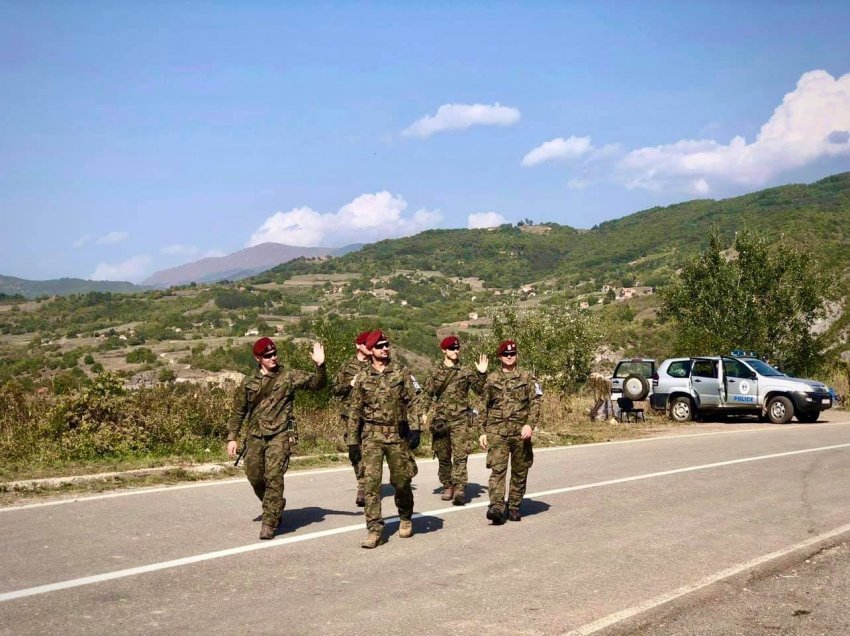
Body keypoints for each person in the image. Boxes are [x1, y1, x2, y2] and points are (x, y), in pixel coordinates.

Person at [226, 336, 327, 540]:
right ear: (258, 358)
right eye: (268, 355)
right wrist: (232, 437)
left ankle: (270, 522)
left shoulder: (288, 375)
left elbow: (317, 384)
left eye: (274, 354)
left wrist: (321, 366)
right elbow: (239, 411)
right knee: (254, 476)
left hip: (280, 434)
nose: (273, 358)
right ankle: (275, 504)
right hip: (255, 435)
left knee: (274, 476)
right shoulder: (249, 382)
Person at [347, 330, 423, 549]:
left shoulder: (401, 372)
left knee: (401, 481)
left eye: (386, 345)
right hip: (371, 436)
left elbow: (414, 402)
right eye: (380, 346)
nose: (384, 349)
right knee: (371, 484)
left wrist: (416, 428)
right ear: (371, 350)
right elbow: (354, 411)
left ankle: (405, 516)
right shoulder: (362, 377)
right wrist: (353, 442)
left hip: (398, 435)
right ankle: (374, 529)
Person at [478, 339, 541, 524]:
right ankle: (497, 506)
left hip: (520, 432)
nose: (509, 357)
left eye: (512, 354)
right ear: (500, 357)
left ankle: (514, 505)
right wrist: (482, 431)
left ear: (517, 356)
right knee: (498, 470)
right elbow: (483, 405)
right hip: (497, 431)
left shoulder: (528, 377)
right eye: (506, 354)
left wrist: (530, 424)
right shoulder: (492, 379)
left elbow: (536, 402)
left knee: (520, 470)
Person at [423, 335, 488, 506]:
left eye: (457, 348)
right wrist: (423, 412)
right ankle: (447, 485)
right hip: (441, 421)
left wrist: (482, 373)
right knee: (443, 455)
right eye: (452, 348)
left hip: (460, 419)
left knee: (461, 455)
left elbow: (480, 390)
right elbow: (427, 394)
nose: (456, 351)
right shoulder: (435, 372)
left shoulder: (465, 371)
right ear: (444, 350)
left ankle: (459, 488)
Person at [332, 330, 372, 507]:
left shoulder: (376, 365)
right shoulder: (347, 366)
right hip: (350, 414)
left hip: (372, 414)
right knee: (355, 450)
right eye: (366, 344)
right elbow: (334, 389)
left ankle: (367, 484)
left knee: (371, 449)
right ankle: (362, 483)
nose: (369, 347)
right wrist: (350, 384)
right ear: (358, 345)